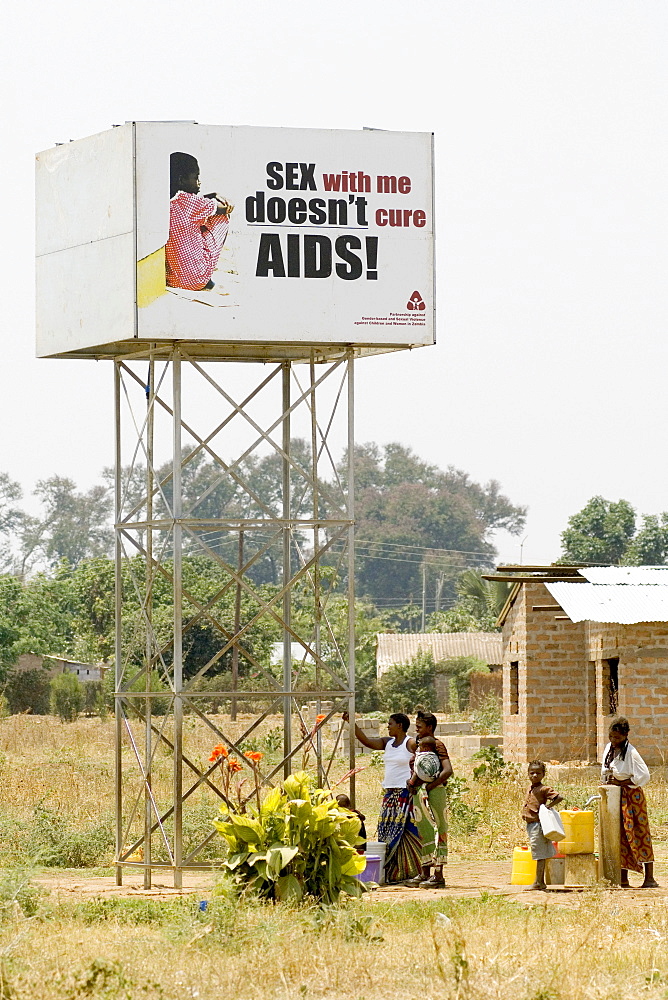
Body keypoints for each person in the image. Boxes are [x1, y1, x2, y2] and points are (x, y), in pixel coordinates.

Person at [342, 711, 422, 883]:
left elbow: (424, 753)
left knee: (407, 832)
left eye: (390, 723)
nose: (388, 726)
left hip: (405, 794)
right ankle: (393, 873)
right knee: (387, 833)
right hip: (389, 795)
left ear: (399, 725)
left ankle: (411, 871)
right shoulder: (388, 743)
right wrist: (352, 723)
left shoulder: (410, 743)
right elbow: (366, 741)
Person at [602, 716, 659, 888]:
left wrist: (622, 783)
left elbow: (644, 776)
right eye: (611, 737)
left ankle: (649, 878)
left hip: (632, 797)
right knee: (620, 835)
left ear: (626, 736)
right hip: (616, 796)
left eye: (617, 738)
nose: (613, 740)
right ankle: (623, 878)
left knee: (639, 833)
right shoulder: (609, 749)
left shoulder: (632, 753)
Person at [165, 151, 234, 291]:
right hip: (198, 279)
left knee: (199, 220)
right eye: (196, 178)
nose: (199, 182)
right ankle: (206, 275)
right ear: (181, 180)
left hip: (174, 280)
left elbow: (198, 202)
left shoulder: (167, 203)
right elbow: (225, 208)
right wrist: (218, 196)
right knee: (220, 217)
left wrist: (213, 194)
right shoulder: (192, 202)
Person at [404, 711, 453, 889]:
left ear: (430, 727)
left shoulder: (437, 745)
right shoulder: (420, 745)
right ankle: (425, 871)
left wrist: (429, 786)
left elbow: (447, 770)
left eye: (419, 727)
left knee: (438, 829)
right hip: (419, 793)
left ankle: (438, 874)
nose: (416, 730)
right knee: (423, 830)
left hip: (434, 793)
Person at [521, 761, 563, 891]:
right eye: (532, 773)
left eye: (538, 773)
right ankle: (541, 881)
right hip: (531, 824)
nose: (534, 775)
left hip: (538, 824)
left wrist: (548, 807)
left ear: (543, 774)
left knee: (539, 853)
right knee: (539, 852)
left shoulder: (544, 789)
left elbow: (558, 797)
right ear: (528, 774)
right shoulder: (531, 788)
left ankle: (538, 882)